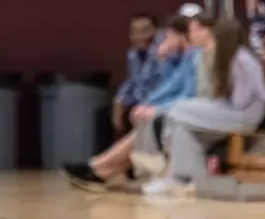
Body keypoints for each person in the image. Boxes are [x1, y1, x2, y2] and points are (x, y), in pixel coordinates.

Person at [65, 14, 204, 189]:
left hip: (188, 110)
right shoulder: (182, 57)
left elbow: (187, 93)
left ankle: (98, 168)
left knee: (147, 126)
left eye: (168, 36)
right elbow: (170, 85)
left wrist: (155, 106)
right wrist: (146, 103)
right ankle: (100, 169)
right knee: (122, 118)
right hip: (166, 106)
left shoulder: (195, 56)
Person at [140, 16, 265, 199]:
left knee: (178, 111)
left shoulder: (242, 60)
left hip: (246, 114)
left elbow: (240, 102)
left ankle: (163, 157)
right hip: (231, 109)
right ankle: (184, 178)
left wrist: (216, 100)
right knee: (182, 126)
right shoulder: (229, 58)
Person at [111, 12, 160, 133]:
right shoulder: (132, 55)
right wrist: (119, 101)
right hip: (137, 106)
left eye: (144, 31)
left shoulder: (162, 54)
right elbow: (131, 81)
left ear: (155, 32)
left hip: (157, 105)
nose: (139, 36)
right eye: (134, 32)